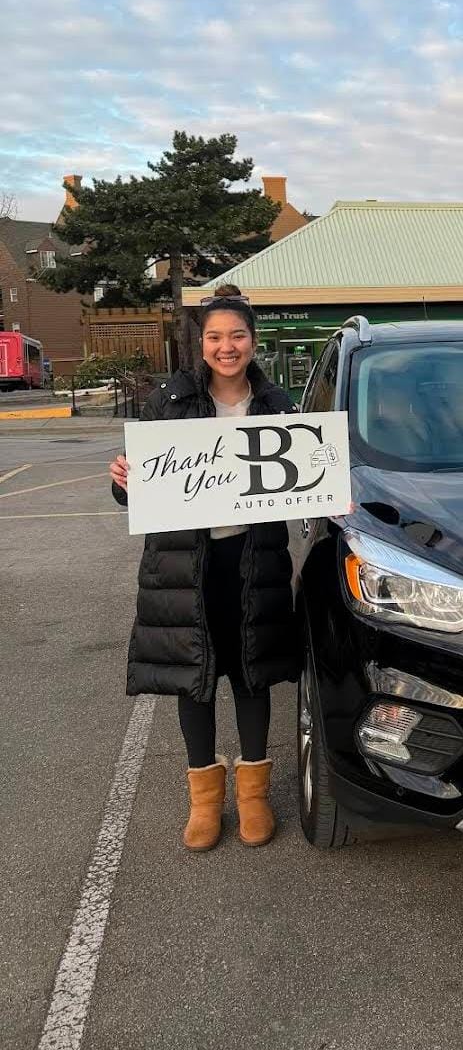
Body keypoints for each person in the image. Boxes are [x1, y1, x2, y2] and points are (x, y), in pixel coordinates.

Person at [109, 287, 299, 852]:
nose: (226, 346)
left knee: (250, 672)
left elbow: (306, 481)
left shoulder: (278, 405)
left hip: (253, 560)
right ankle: (205, 801)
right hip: (184, 564)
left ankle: (254, 795)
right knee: (194, 676)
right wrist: (123, 481)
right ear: (202, 343)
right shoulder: (169, 400)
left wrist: (335, 492)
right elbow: (137, 491)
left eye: (237, 335)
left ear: (253, 341)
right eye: (215, 336)